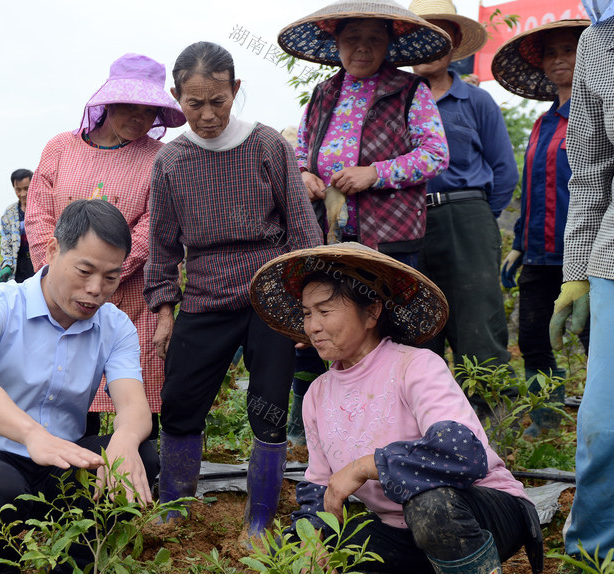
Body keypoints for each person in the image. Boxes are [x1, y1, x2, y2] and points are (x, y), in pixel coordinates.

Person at [248, 243, 542, 574]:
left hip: (483, 513)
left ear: (371, 313)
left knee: (431, 506)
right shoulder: (316, 396)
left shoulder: (415, 366)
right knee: (303, 547)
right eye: (307, 313)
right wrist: (314, 538)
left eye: (326, 311)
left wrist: (368, 465)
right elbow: (317, 486)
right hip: (401, 531)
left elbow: (465, 455)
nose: (312, 325)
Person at [0, 200, 159, 574]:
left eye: (111, 276)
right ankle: (0, 567)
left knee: (142, 456)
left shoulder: (114, 325)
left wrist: (126, 441)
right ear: (52, 251)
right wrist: (31, 435)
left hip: (63, 462)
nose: (96, 289)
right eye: (85, 271)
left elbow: (134, 402)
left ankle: (74, 565)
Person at [144, 42, 323, 537]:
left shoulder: (268, 147)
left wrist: (306, 308)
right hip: (204, 297)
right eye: (194, 103)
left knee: (268, 407)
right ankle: (175, 508)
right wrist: (163, 310)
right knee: (180, 402)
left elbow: (304, 233)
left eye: (218, 101)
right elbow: (162, 245)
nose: (206, 115)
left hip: (269, 297)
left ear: (235, 90)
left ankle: (259, 522)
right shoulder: (171, 162)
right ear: (177, 96)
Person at [278, 0, 450, 446]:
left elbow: (435, 154)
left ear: (390, 46)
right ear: (336, 43)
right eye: (353, 39)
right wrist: (306, 177)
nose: (362, 48)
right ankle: (311, 434)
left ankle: (397, 436)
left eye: (374, 40)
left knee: (386, 328)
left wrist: (374, 173)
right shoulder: (323, 94)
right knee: (319, 326)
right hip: (329, 236)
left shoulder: (409, 91)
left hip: (388, 238)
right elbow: (299, 156)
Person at [26, 54, 186, 441]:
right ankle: (74, 481)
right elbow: (38, 216)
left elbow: (155, 224)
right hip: (63, 297)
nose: (138, 117)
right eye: (128, 106)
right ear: (107, 103)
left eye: (148, 110)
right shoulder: (61, 148)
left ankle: (133, 477)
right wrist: (58, 276)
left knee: (136, 393)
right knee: (71, 397)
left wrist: (107, 271)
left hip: (131, 297)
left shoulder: (160, 158)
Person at [410, 0, 519, 386]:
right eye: (419, 35)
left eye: (439, 37)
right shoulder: (393, 101)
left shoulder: (476, 101)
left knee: (478, 325)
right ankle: (424, 430)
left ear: (454, 44)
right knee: (416, 327)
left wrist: (476, 218)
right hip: (406, 222)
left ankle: (489, 426)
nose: (429, 47)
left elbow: (504, 170)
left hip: (466, 217)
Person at [494, 20, 591, 436]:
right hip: (538, 252)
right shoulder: (543, 122)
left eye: (567, 50)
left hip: (584, 254)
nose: (558, 60)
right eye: (551, 53)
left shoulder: (595, 114)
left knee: (595, 342)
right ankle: (548, 420)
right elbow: (532, 187)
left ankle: (599, 423)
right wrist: (517, 244)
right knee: (533, 339)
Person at [552, 2, 614, 562]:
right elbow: (592, 168)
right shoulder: (600, 40)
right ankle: (593, 555)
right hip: (613, 258)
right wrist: (575, 275)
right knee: (605, 422)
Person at [0, 169, 34, 283]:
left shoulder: (41, 208)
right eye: (18, 189)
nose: (22, 194)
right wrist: (7, 265)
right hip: (19, 264)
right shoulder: (9, 213)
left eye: (26, 188)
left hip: (37, 262)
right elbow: (6, 242)